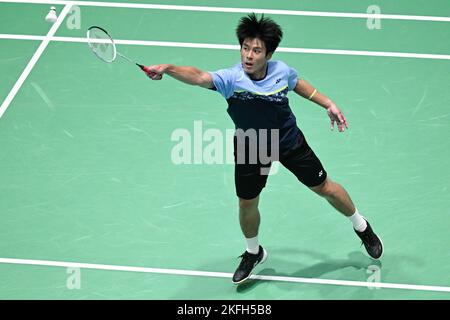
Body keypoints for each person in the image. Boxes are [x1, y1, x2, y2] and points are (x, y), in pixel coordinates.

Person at [143, 13, 383, 284]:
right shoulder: (231, 79)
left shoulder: (281, 71)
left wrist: (327, 103)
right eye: (245, 48)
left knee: (324, 187)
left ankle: (361, 226)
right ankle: (253, 252)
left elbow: (298, 84)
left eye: (256, 50)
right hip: (251, 147)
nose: (248, 55)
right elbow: (199, 76)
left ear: (268, 54)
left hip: (289, 141)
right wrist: (167, 68)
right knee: (247, 202)